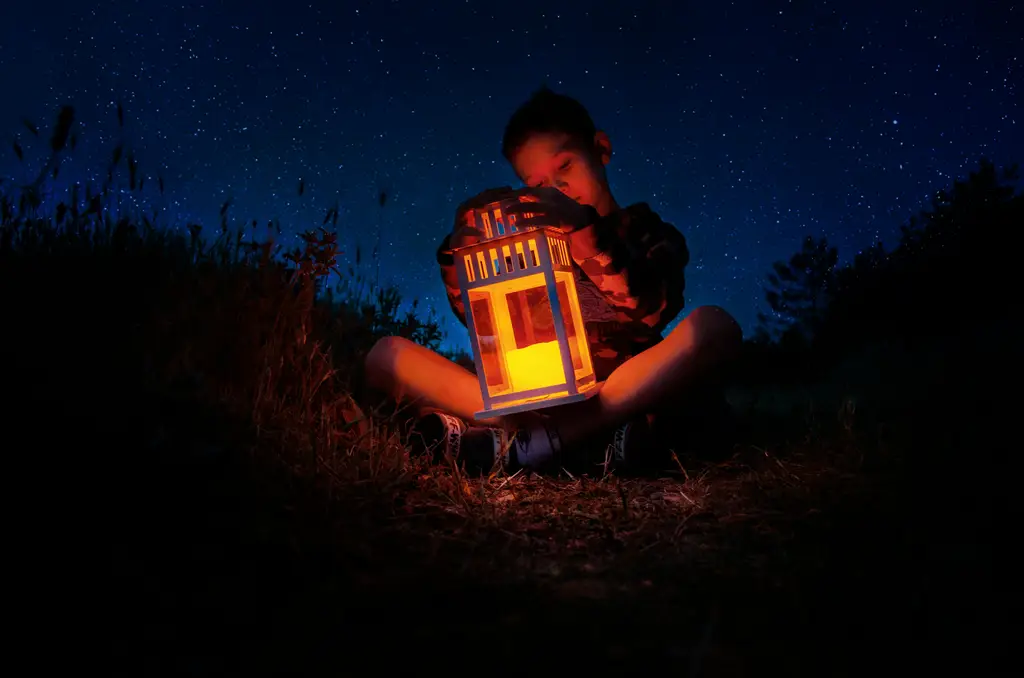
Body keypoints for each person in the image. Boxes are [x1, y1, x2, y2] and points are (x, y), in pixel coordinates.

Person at [364, 87, 742, 476]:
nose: (557, 189)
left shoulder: (647, 232)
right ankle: (578, 443)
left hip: (620, 391)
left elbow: (649, 310)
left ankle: (520, 445)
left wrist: (584, 233)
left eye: (565, 166)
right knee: (385, 354)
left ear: (600, 149)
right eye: (538, 183)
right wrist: (462, 258)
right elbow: (484, 329)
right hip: (532, 401)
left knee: (714, 326)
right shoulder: (527, 249)